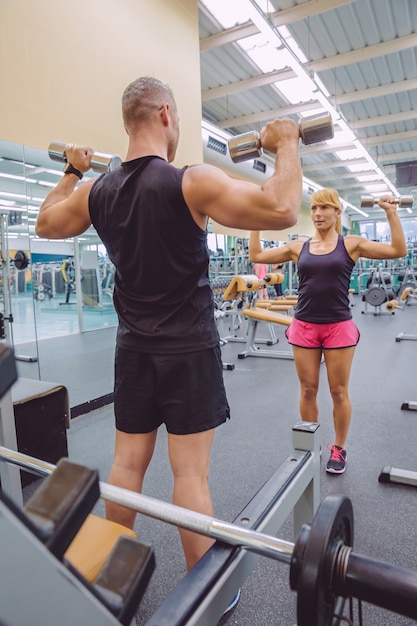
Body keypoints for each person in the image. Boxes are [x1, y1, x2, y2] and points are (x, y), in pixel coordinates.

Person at [35, 76, 303, 574]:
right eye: (178, 118)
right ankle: (202, 594)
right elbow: (283, 207)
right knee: (190, 476)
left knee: (126, 466)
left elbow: (45, 223)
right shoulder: (190, 181)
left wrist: (72, 172)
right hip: (188, 349)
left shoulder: (97, 191)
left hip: (133, 350)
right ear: (164, 115)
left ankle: (106, 577)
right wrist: (286, 143)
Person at [249, 187, 406, 474]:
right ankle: (310, 445)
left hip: (338, 326)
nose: (318, 214)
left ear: (337, 212)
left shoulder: (352, 244)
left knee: (338, 391)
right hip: (305, 325)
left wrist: (391, 213)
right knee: (308, 389)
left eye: (325, 208)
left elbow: (398, 250)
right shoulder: (299, 247)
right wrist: (256, 220)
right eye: (315, 209)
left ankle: (339, 447)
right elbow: (257, 255)